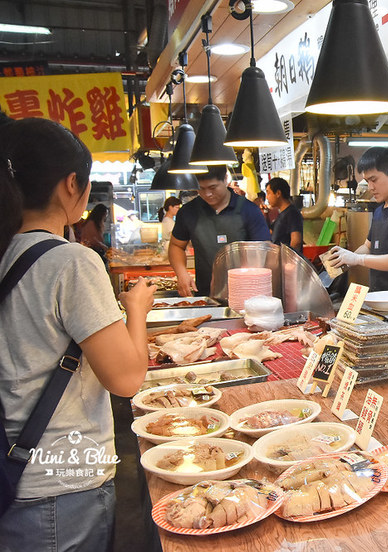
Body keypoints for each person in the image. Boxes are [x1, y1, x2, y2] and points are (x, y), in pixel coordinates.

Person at [0, 118, 154, 550]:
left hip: (16, 477)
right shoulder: (69, 262)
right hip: (60, 486)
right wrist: (135, 310)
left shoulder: (7, 249)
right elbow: (126, 379)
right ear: (72, 185)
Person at [328, 147, 388, 291]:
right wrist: (346, 258)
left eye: (374, 180)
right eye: (367, 181)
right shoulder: (380, 211)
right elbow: (368, 247)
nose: (370, 187)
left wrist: (358, 259)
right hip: (382, 296)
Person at [168, 165, 270, 297]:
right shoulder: (188, 212)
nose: (207, 194)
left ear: (226, 180)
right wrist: (181, 274)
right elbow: (176, 245)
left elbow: (264, 251)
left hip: (246, 294)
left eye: (212, 187)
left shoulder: (249, 210)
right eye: (201, 189)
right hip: (205, 294)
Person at [266, 177, 303, 254]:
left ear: (278, 193)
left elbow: (296, 241)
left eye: (268, 193)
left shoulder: (292, 213)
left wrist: (288, 260)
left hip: (286, 263)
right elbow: (269, 233)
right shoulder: (281, 214)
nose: (267, 197)